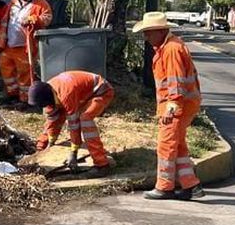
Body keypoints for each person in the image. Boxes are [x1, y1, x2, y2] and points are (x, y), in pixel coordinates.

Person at [133, 12, 206, 200]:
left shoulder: (171, 49)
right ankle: (192, 186)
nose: (146, 37)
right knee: (178, 146)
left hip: (177, 106)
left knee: (166, 146)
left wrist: (171, 108)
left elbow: (176, 82)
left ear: (160, 31)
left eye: (148, 32)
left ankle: (164, 187)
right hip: (183, 104)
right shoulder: (169, 46)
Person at [28, 72, 115, 177]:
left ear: (48, 98)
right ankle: (41, 146)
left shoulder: (66, 95)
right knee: (55, 117)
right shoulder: (47, 91)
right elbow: (52, 121)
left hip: (101, 91)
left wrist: (73, 153)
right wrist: (45, 146)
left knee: (85, 119)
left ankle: (102, 165)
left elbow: (74, 125)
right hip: (82, 94)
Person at [0, 0, 53, 105]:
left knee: (25, 73)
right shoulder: (13, 2)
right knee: (6, 68)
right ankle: (12, 95)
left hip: (26, 45)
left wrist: (33, 19)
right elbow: (4, 21)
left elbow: (47, 18)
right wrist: (1, 40)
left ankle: (25, 99)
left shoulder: (40, 3)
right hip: (9, 43)